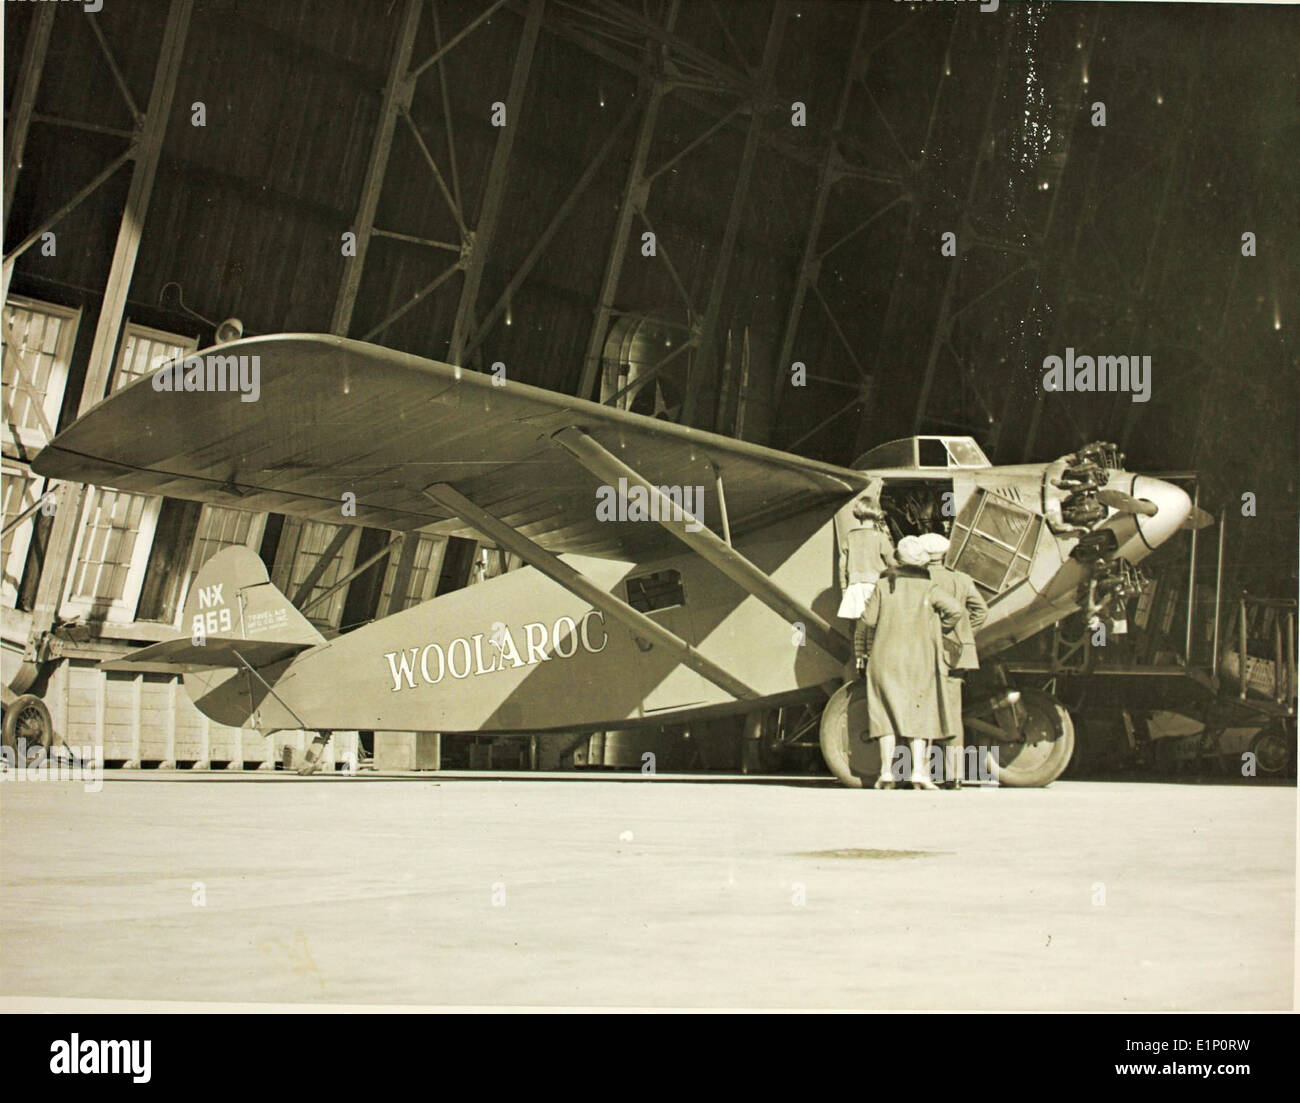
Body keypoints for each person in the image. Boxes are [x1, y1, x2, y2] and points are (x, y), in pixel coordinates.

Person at [854, 535, 964, 790]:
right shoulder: (930, 588)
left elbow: (868, 621)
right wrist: (935, 627)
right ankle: (919, 774)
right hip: (920, 659)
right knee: (920, 714)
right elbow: (956, 610)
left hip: (885, 657)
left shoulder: (883, 585)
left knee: (884, 714)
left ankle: (886, 773)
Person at [919, 532, 988, 787]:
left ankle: (921, 772)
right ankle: (955, 775)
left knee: (922, 711)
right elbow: (981, 610)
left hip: (926, 652)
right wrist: (965, 634)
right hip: (958, 654)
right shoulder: (962, 579)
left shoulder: (920, 579)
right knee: (952, 713)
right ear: (944, 554)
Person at [837, 485, 894, 622]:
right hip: (875, 585)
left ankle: (858, 645)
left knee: (859, 627)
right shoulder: (880, 537)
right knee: (874, 625)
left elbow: (842, 564)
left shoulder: (850, 536)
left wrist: (844, 587)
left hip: (855, 585)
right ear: (877, 513)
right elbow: (892, 562)